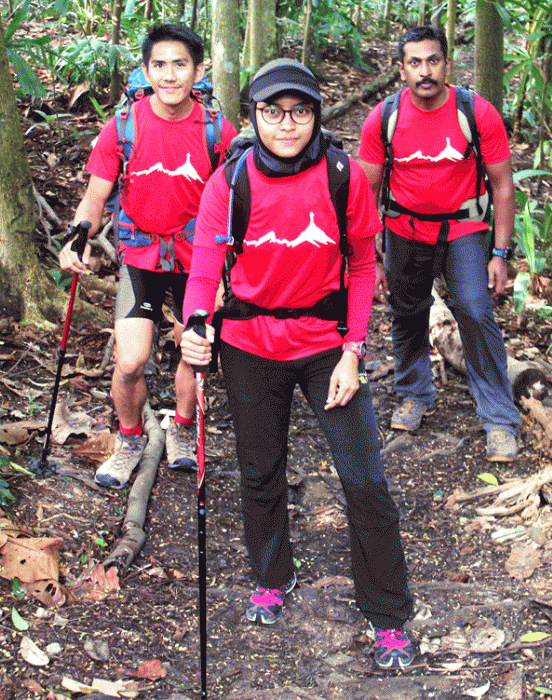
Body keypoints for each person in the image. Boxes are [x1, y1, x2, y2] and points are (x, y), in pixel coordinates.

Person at [180, 58, 416, 670]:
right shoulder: (229, 182)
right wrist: (196, 325)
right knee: (260, 472)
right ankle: (271, 575)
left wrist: (353, 351)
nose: (287, 125)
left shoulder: (343, 177)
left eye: (300, 111)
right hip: (250, 345)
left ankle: (388, 614)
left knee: (363, 479)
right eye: (272, 112)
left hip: (325, 346)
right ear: (252, 116)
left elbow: (363, 266)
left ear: (316, 114)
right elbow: (205, 265)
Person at [59, 24, 237, 487]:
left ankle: (180, 429)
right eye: (159, 65)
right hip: (141, 255)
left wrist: (224, 272)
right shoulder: (123, 126)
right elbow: (96, 197)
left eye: (181, 65)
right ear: (145, 70)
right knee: (131, 361)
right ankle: (131, 437)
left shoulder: (219, 131)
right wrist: (79, 234)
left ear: (200, 71)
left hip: (198, 260)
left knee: (191, 352)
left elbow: (240, 202)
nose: (170, 75)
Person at [357, 26, 521, 462]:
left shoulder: (477, 113)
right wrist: (370, 258)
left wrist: (501, 254)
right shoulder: (384, 118)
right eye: (415, 62)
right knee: (406, 311)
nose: (424, 72)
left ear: (447, 65)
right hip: (404, 230)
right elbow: (365, 194)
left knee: (474, 309)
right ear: (401, 69)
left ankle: (500, 416)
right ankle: (414, 393)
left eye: (433, 61)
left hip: (463, 230)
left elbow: (503, 186)